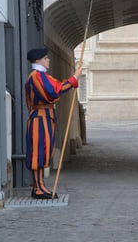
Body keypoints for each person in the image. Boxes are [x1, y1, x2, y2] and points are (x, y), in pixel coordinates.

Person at [25, 48, 82, 199]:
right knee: (39, 151)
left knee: (44, 150)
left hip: (45, 116)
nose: (48, 60)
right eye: (45, 58)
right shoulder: (36, 76)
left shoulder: (42, 76)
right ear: (38, 61)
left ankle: (40, 185)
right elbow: (53, 92)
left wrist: (72, 81)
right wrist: (74, 79)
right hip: (40, 117)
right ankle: (38, 187)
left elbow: (57, 87)